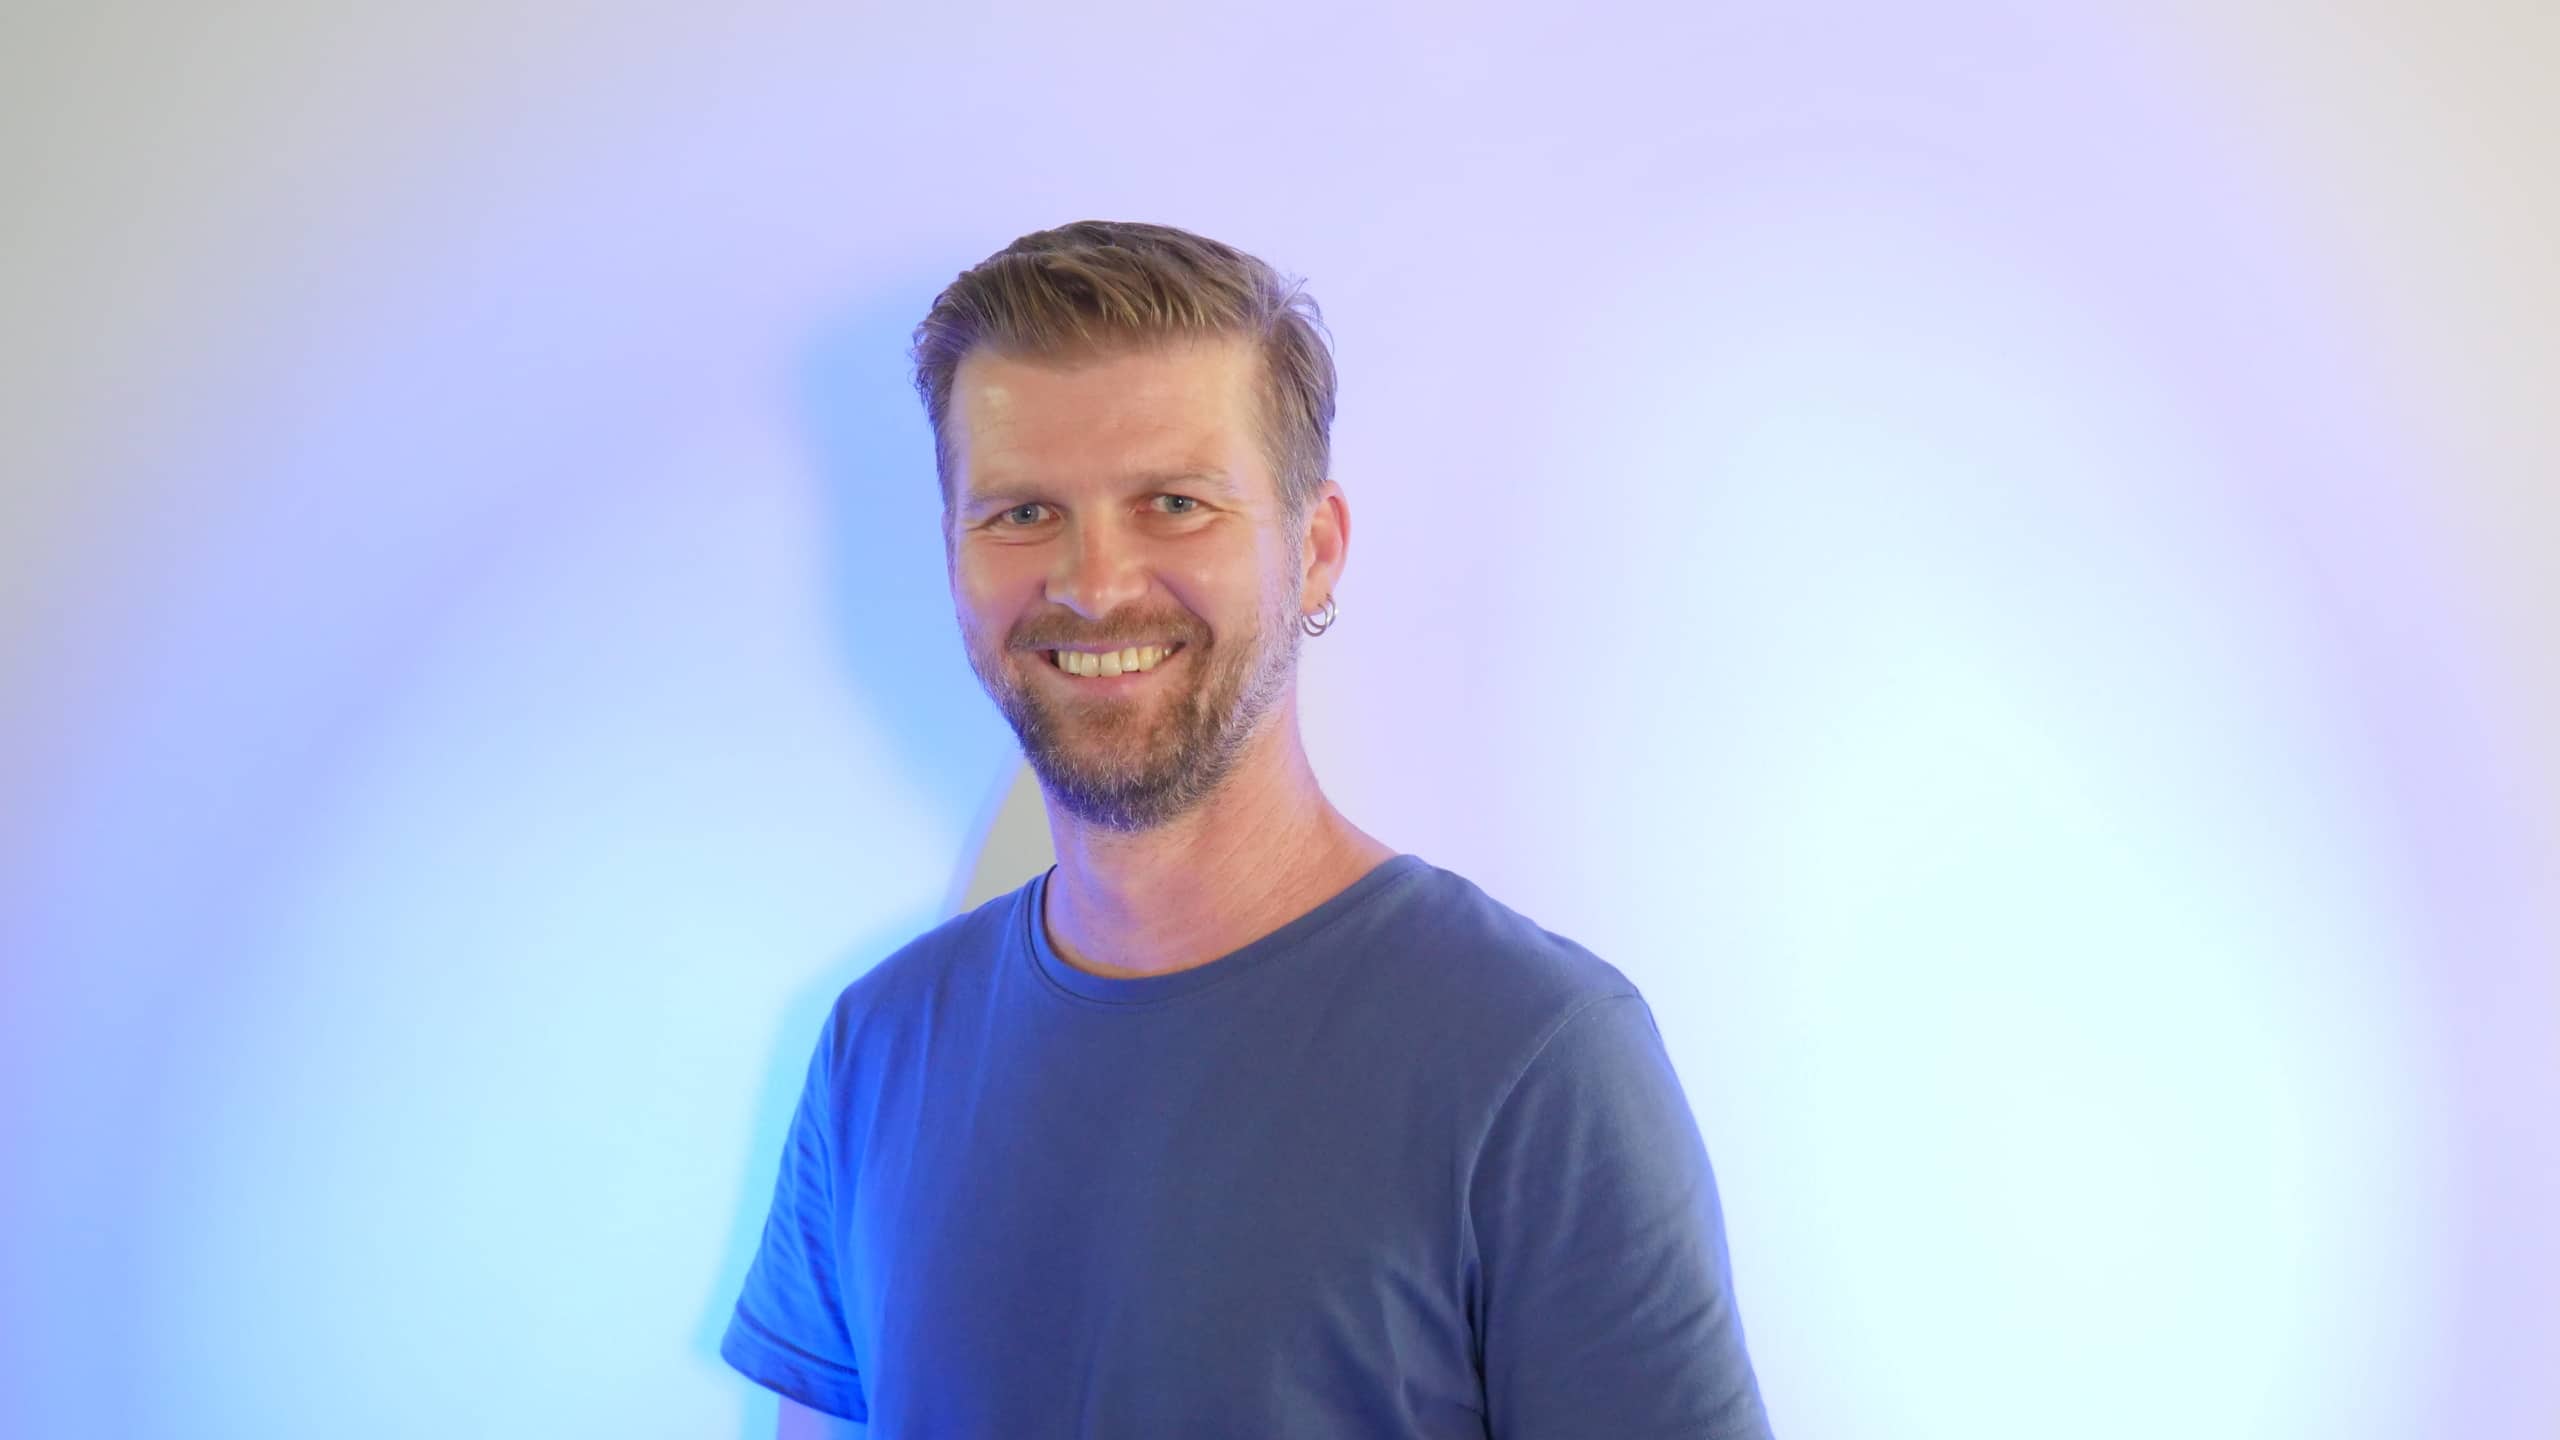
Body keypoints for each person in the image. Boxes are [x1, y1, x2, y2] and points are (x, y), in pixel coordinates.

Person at [721, 220, 1775, 1439]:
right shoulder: (877, 1048)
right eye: (1021, 513)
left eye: (1175, 503)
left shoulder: (1535, 1059)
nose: (1093, 584)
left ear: (1314, 550)